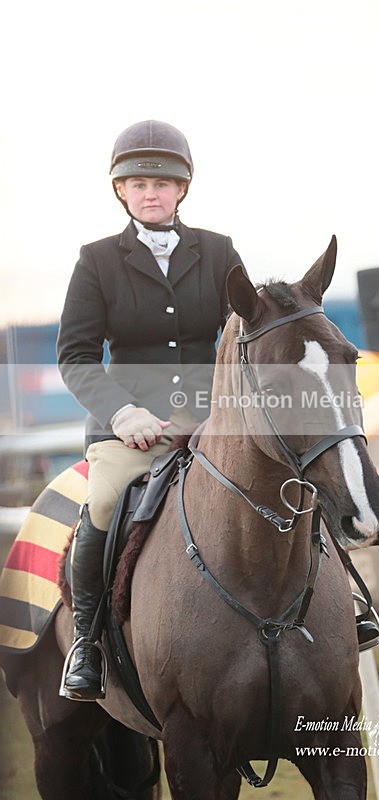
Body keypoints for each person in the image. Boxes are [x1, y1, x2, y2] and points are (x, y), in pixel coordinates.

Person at [57, 120, 243, 700]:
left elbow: (242, 332)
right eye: (137, 182)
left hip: (213, 424)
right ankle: (87, 644)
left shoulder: (217, 251)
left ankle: (351, 603)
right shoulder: (96, 261)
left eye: (163, 181)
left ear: (183, 188)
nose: (151, 192)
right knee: (107, 501)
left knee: (288, 478)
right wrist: (123, 414)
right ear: (120, 191)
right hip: (132, 430)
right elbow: (76, 356)